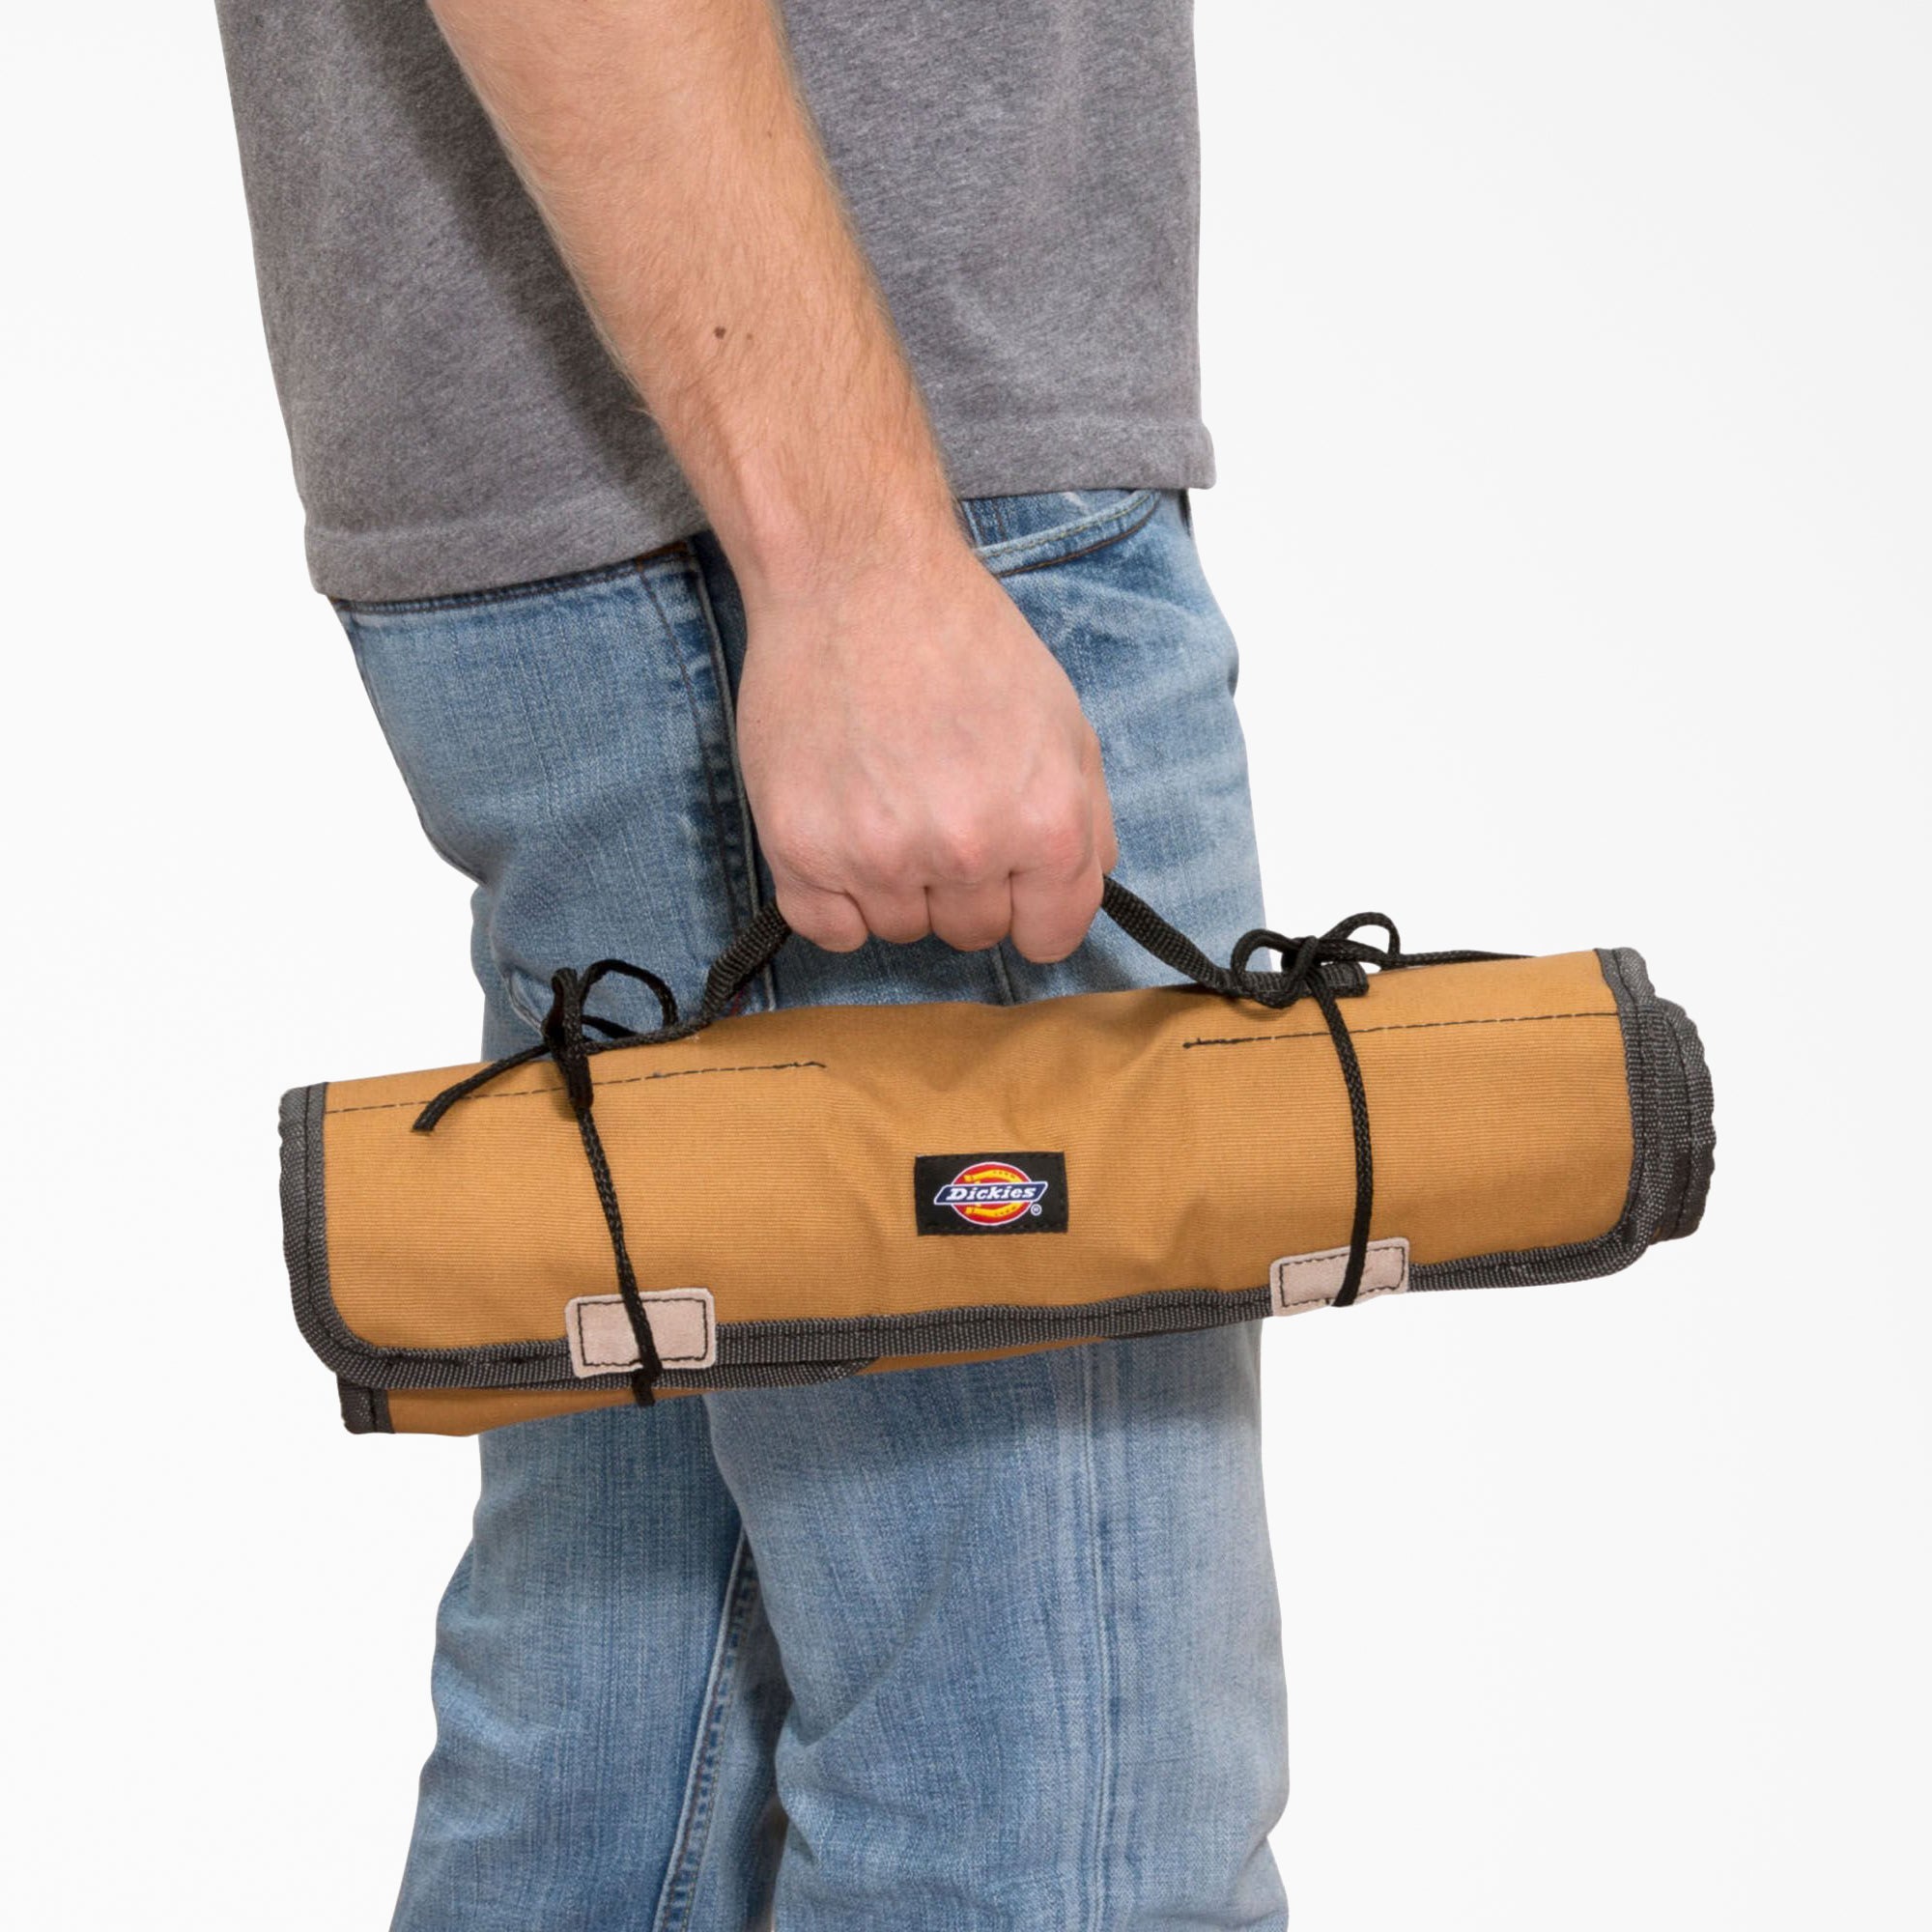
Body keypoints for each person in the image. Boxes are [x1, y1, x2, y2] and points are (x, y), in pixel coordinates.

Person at [216, 0, 1290, 1923]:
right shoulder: (844, 545)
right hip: (832, 501)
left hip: (726, 482)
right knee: (1057, 1822)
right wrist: (850, 555)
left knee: (627, 1771)